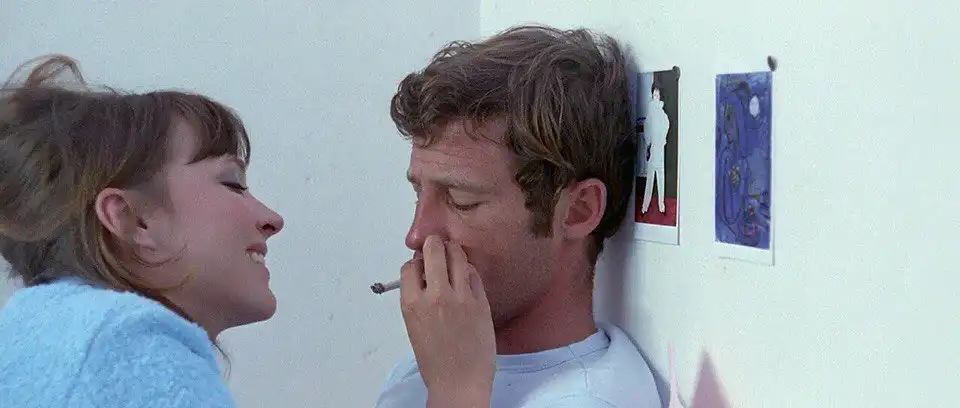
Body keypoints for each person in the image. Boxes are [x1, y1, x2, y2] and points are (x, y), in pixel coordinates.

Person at [0, 55, 495, 408]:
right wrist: (458, 391)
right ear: (135, 220)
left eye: (463, 199)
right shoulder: (121, 346)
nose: (272, 219)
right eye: (232, 183)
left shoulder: (46, 339)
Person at [376, 25, 662, 408]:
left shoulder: (591, 399)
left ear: (578, 210)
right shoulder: (425, 369)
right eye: (419, 192)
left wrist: (455, 394)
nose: (416, 234)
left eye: (461, 200)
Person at [641, 84, 669, 214]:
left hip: (660, 149)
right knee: (650, 179)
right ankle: (645, 207)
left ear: (660, 96)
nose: (655, 97)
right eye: (654, 95)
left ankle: (661, 206)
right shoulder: (650, 111)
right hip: (653, 149)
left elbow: (666, 124)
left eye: (657, 95)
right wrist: (649, 142)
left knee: (661, 178)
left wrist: (662, 139)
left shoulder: (662, 113)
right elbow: (647, 127)